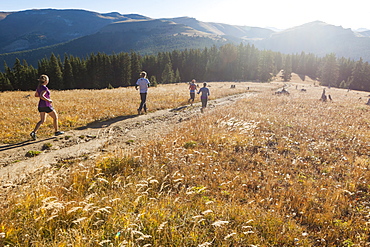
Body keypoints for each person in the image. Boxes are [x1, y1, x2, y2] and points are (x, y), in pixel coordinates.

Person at [30, 74, 64, 140]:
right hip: (47, 105)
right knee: (55, 117)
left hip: (40, 106)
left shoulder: (39, 87)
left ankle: (34, 132)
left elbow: (36, 95)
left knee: (42, 121)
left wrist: (42, 96)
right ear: (45, 81)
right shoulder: (44, 88)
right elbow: (42, 96)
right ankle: (56, 131)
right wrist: (49, 100)